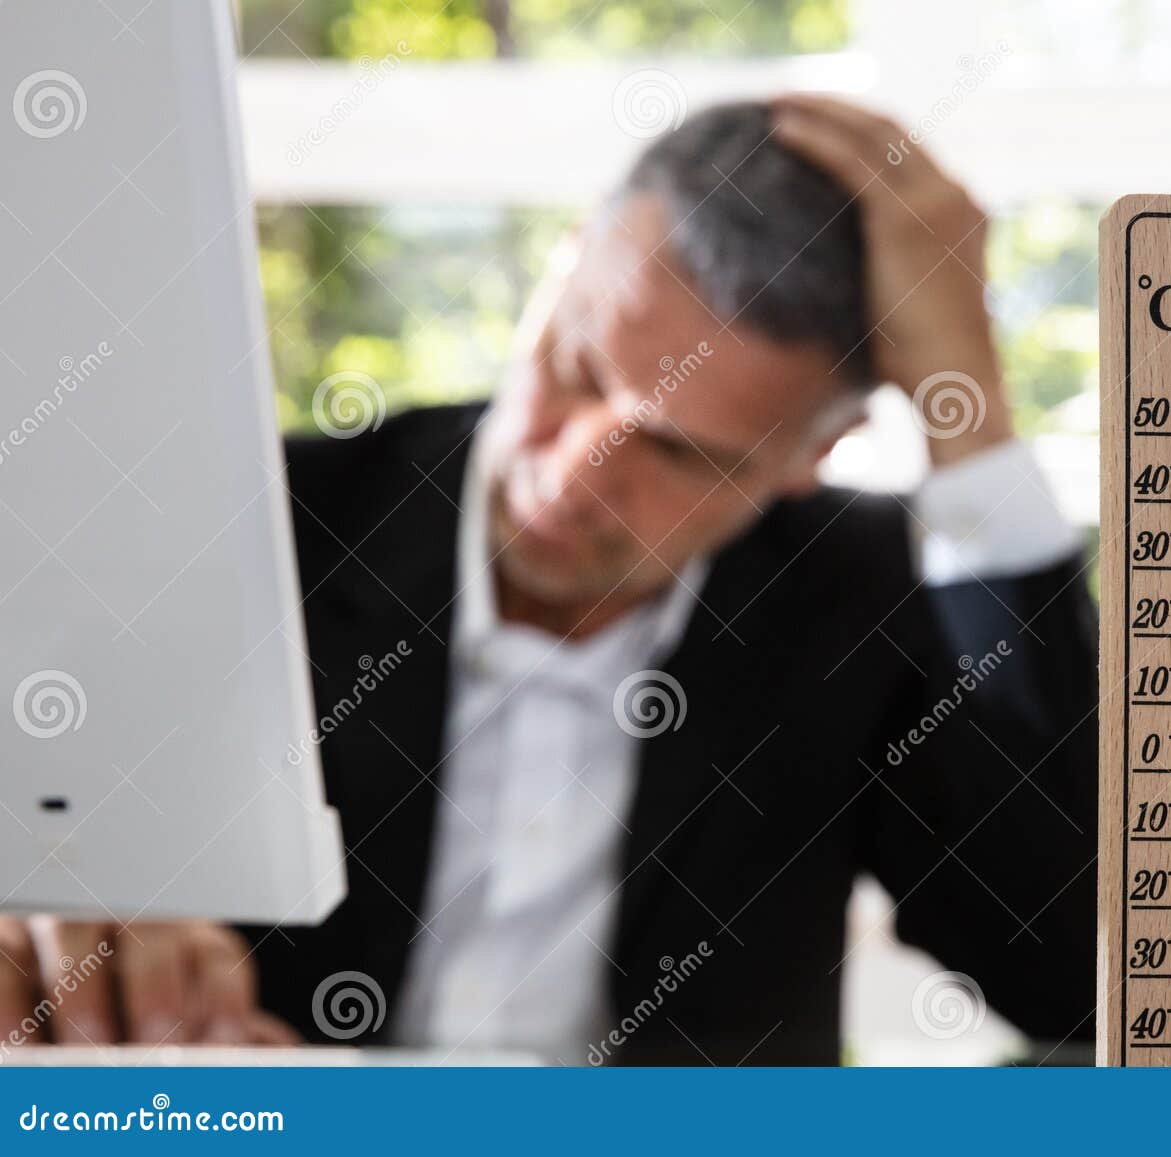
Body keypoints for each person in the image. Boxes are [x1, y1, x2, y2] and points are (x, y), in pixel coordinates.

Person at [0, 95, 1098, 1064]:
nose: (574, 475)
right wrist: (44, 905)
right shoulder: (250, 524)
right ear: (560, 265)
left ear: (815, 451)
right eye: (576, 366)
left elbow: (1065, 974)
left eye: (678, 450)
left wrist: (972, 412)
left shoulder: (867, 598)